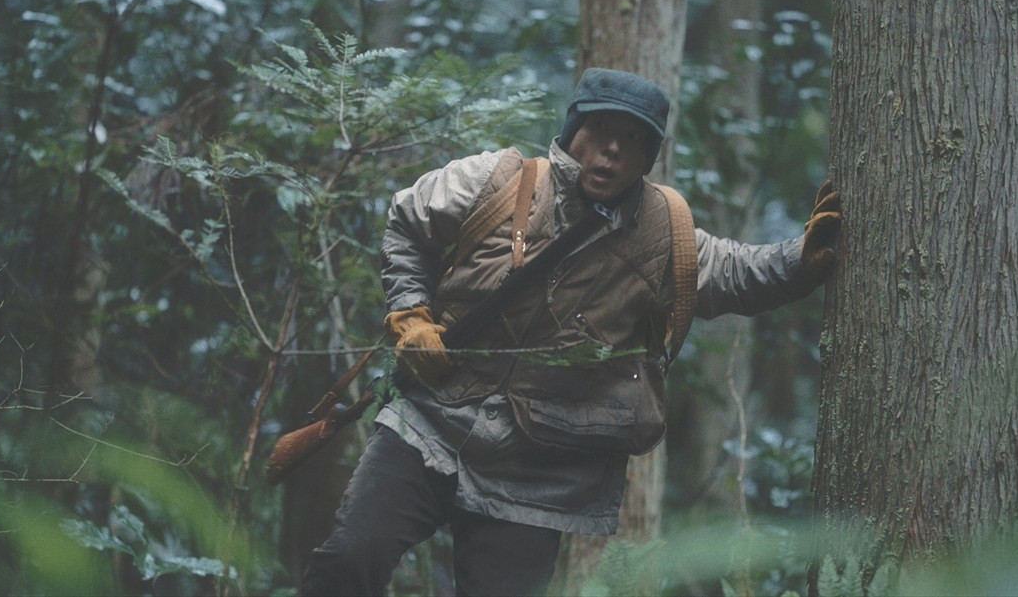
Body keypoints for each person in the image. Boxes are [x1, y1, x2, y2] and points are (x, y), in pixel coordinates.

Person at [300, 68, 842, 596]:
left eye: (632, 141)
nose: (612, 150)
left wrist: (802, 260)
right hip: (429, 424)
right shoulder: (496, 180)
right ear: (573, 129)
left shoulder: (662, 231)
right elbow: (407, 222)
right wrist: (410, 316)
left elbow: (736, 273)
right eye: (601, 131)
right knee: (348, 562)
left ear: (648, 157)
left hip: (537, 470)